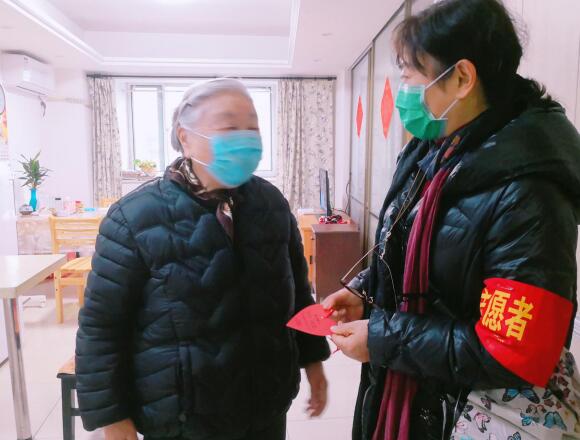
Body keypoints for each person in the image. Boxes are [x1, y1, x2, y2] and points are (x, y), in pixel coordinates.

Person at [324, 1, 580, 439]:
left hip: (461, 411)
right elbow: (410, 244)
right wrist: (367, 290)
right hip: (417, 392)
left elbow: (513, 350)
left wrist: (385, 338)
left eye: (409, 75)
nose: (402, 90)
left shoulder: (529, 192)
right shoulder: (436, 151)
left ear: (461, 78)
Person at [76, 78, 330, 440]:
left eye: (252, 126)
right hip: (183, 417)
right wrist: (112, 417)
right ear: (185, 137)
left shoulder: (271, 204)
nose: (245, 137)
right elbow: (102, 327)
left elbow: (299, 294)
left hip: (266, 404)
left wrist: (314, 361)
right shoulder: (133, 218)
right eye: (229, 126)